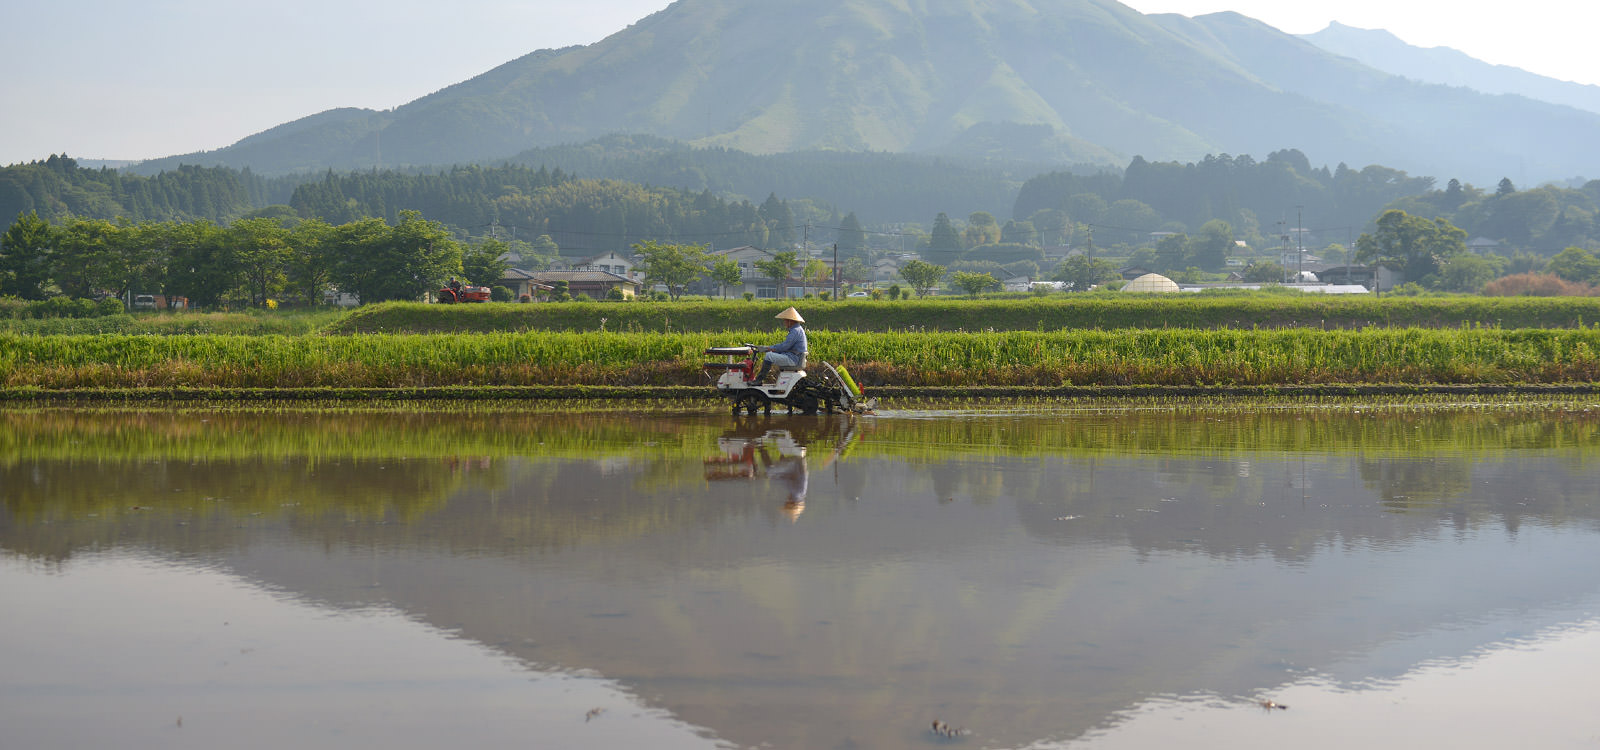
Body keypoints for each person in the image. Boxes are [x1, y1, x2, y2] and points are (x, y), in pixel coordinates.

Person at [753, 307, 807, 383]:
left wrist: (768, 348)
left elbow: (784, 347)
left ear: (790, 321)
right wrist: (771, 349)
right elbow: (785, 347)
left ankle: (758, 380)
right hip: (795, 357)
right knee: (771, 354)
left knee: (769, 356)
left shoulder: (795, 331)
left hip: (793, 359)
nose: (784, 323)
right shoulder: (798, 329)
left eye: (785, 320)